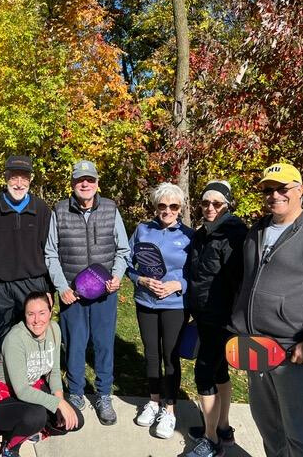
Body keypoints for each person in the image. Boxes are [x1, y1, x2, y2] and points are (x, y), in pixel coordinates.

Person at [230, 163, 303, 457]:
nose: (275, 195)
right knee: (269, 428)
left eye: (283, 188)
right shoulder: (257, 230)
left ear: (300, 190)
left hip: (296, 351)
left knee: (299, 435)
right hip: (257, 346)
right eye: (269, 189)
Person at [44, 160, 130, 425]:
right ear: (72, 184)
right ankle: (77, 393)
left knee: (104, 345)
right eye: (80, 180)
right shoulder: (59, 211)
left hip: (104, 293)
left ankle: (104, 395)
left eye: (90, 180)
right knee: (75, 346)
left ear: (97, 184)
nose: (85, 184)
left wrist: (117, 275)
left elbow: (123, 251)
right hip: (73, 295)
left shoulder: (111, 209)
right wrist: (62, 287)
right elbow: (51, 253)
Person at [0, 291, 84, 457]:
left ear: (50, 312)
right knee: (37, 416)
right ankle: (9, 447)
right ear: (24, 315)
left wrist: (60, 400)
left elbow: (54, 372)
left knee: (75, 421)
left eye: (42, 313)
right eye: (30, 314)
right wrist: (58, 404)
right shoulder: (15, 339)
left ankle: (26, 428)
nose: (37, 320)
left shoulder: (54, 330)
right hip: (3, 397)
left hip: (31, 389)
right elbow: (21, 390)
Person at [0, 155, 52, 372]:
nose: (19, 183)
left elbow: (50, 252)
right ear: (5, 178)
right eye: (14, 177)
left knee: (35, 338)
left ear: (30, 180)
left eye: (24, 178)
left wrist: (49, 290)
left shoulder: (41, 209)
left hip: (32, 285)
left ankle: (35, 387)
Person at [184, 181, 248, 457]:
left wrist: (234, 321)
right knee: (220, 372)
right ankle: (223, 428)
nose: (210, 208)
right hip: (204, 315)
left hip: (221, 318)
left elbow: (238, 282)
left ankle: (211, 442)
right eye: (206, 203)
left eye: (217, 203)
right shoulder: (203, 233)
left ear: (227, 205)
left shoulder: (233, 235)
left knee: (204, 374)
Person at [126, 182, 193, 439]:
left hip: (174, 305)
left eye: (173, 206)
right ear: (155, 206)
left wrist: (179, 284)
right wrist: (140, 280)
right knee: (151, 354)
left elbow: (195, 273)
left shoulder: (189, 236)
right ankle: (153, 402)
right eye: (162, 205)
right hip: (146, 302)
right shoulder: (143, 229)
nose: (167, 211)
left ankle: (170, 410)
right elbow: (126, 261)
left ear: (180, 208)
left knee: (170, 357)